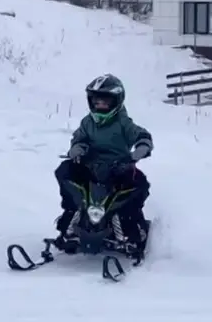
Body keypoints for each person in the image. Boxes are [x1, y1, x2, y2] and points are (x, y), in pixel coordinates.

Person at [54, 73, 153, 253]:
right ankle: (70, 219)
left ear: (116, 102)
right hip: (90, 166)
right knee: (64, 172)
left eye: (105, 102)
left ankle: (133, 230)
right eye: (96, 102)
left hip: (119, 168)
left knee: (139, 186)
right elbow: (79, 138)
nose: (100, 106)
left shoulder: (123, 122)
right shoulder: (88, 122)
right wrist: (77, 149)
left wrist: (140, 150)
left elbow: (141, 136)